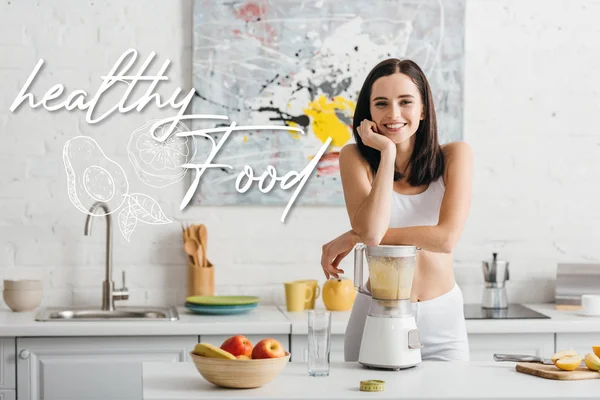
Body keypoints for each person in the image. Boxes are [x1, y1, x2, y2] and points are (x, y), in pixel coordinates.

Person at [320, 58, 472, 362]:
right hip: (377, 314)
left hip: (442, 319)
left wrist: (353, 237)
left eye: (405, 102)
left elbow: (445, 240)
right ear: (368, 113)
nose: (393, 114)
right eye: (381, 104)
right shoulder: (354, 157)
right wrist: (387, 152)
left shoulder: (456, 155)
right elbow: (372, 232)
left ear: (423, 109)